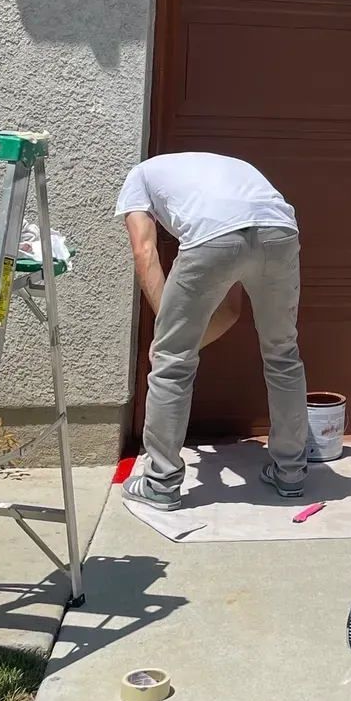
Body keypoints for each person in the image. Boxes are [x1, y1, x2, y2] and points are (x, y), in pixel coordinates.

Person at [116, 152, 310, 507]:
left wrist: (170, 338)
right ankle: (291, 473)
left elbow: (144, 253)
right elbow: (231, 307)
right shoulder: (219, 174)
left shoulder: (138, 177)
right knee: (283, 354)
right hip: (279, 231)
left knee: (171, 363)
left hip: (215, 235)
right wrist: (183, 333)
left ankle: (160, 483)